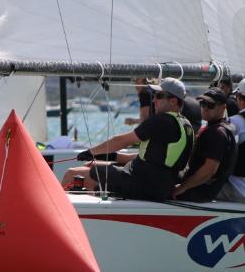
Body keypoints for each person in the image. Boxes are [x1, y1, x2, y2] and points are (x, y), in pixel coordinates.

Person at [61, 78, 193, 201]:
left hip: (142, 183)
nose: (153, 101)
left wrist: (91, 152)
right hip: (158, 185)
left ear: (173, 101)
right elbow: (151, 157)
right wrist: (113, 156)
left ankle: (65, 218)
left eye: (158, 96)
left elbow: (120, 141)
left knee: (72, 174)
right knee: (91, 166)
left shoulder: (161, 120)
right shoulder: (185, 124)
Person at [172, 88, 237, 202]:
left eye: (211, 105)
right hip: (201, 187)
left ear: (223, 108)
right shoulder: (222, 127)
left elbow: (209, 170)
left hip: (200, 191)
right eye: (202, 103)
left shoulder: (217, 133)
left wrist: (182, 188)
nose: (205, 108)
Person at [125, 77, 201, 132]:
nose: (153, 100)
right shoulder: (183, 123)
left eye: (137, 81)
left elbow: (145, 120)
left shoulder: (144, 93)